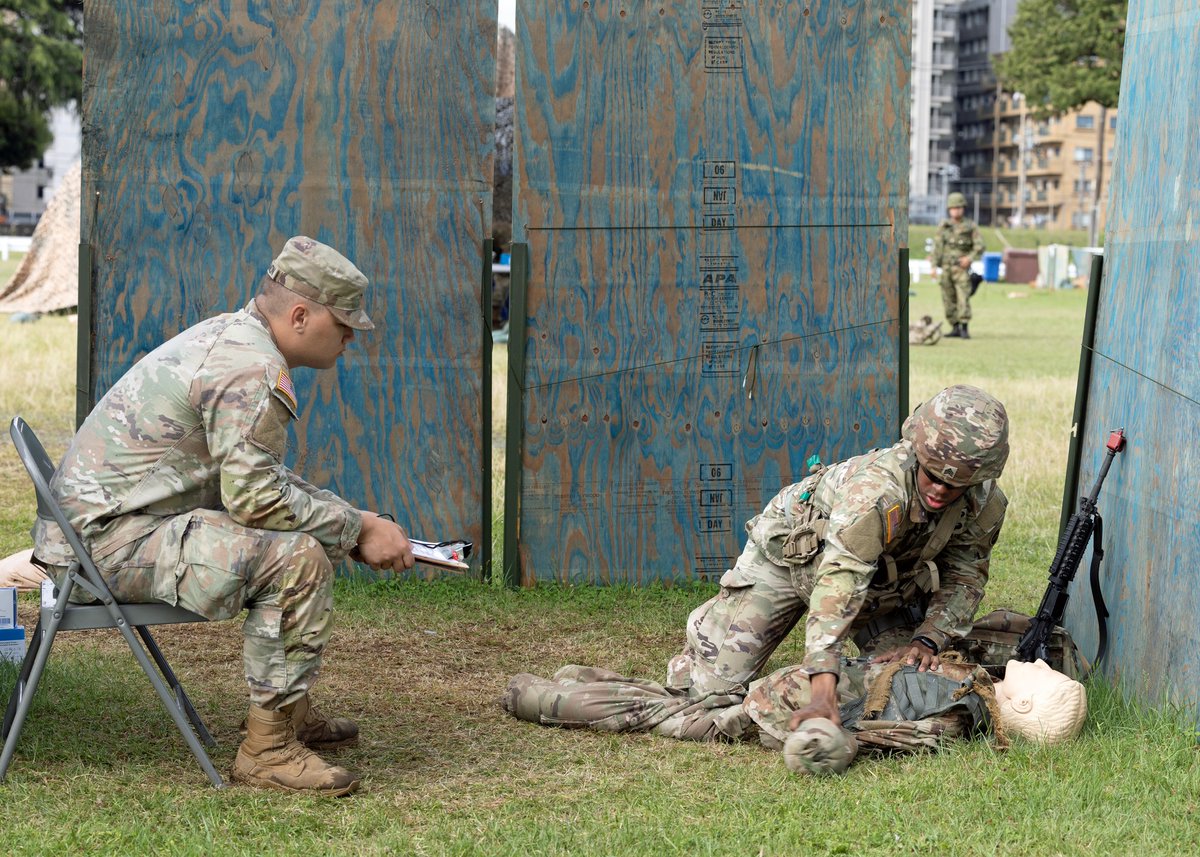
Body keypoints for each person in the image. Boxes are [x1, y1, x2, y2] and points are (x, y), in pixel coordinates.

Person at [31, 236, 415, 796]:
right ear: (302, 315)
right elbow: (255, 500)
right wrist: (355, 529)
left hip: (104, 531)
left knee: (297, 540)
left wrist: (350, 516)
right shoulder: (251, 368)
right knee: (295, 559)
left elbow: (258, 481)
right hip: (103, 548)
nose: (353, 336)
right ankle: (267, 749)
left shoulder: (236, 340)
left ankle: (289, 714)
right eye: (345, 322)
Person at [504, 385, 1010, 745]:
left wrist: (927, 639)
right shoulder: (876, 490)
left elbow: (967, 574)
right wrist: (822, 684)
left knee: (901, 684)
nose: (941, 489)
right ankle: (682, 652)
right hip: (792, 563)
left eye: (957, 482)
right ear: (915, 450)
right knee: (706, 695)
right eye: (933, 475)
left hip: (883, 587)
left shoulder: (985, 504)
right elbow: (839, 582)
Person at [931, 192, 984, 339]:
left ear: (963, 208)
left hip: (961, 268)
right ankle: (954, 327)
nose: (956, 210)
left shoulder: (970, 226)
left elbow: (979, 246)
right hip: (946, 267)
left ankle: (964, 327)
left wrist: (969, 258)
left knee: (963, 297)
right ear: (949, 209)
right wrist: (934, 265)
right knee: (948, 298)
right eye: (953, 208)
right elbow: (937, 246)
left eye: (959, 207)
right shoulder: (944, 226)